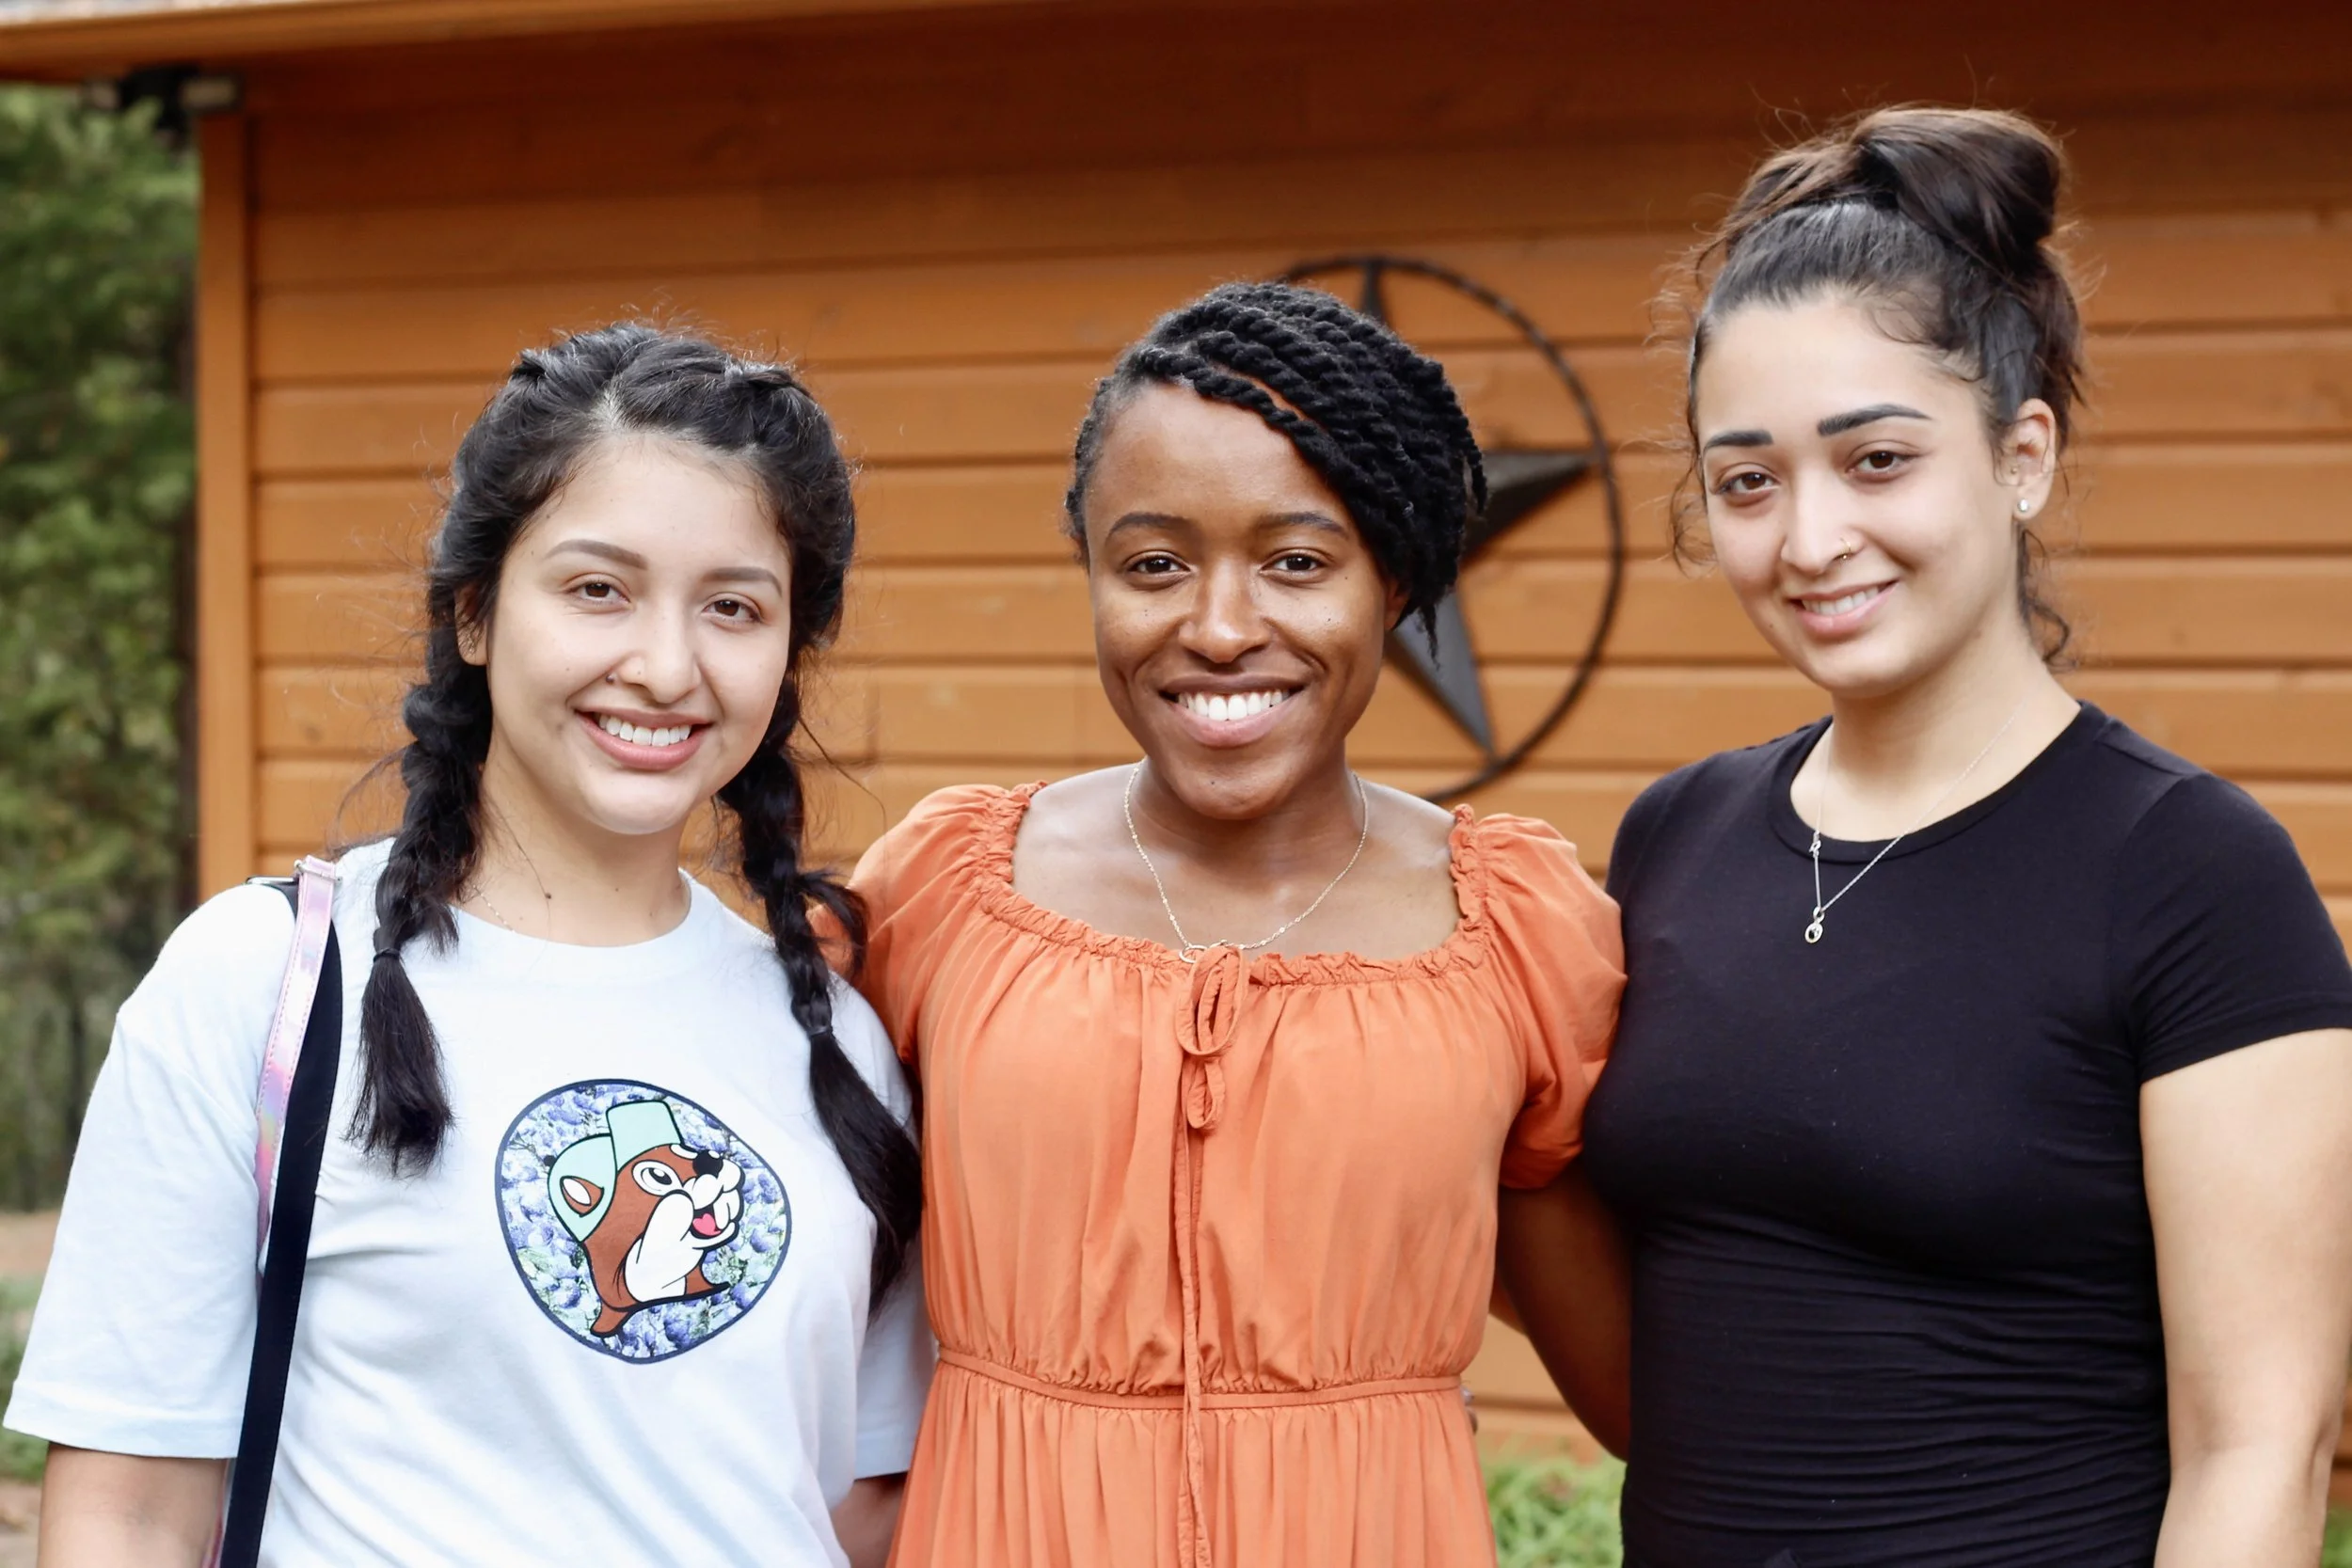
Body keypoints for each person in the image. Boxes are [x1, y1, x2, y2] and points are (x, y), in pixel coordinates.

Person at [8, 325, 932, 1567]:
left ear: (786, 653)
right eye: (597, 588)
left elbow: (857, 1509)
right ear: (477, 616)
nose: (665, 665)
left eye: (733, 606)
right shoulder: (264, 984)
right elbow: (128, 1513)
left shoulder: (839, 1041)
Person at [1570, 107, 2352, 1566]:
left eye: (1875, 460)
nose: (1807, 540)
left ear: (2022, 453)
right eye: (1748, 480)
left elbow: (2264, 1442)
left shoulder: (2190, 872)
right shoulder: (1673, 833)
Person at [843, 282, 1628, 1568]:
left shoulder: (1514, 933)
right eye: (1153, 563)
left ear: (1398, 579)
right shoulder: (937, 894)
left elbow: (1645, 1388)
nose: (1217, 628)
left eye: (1298, 562)